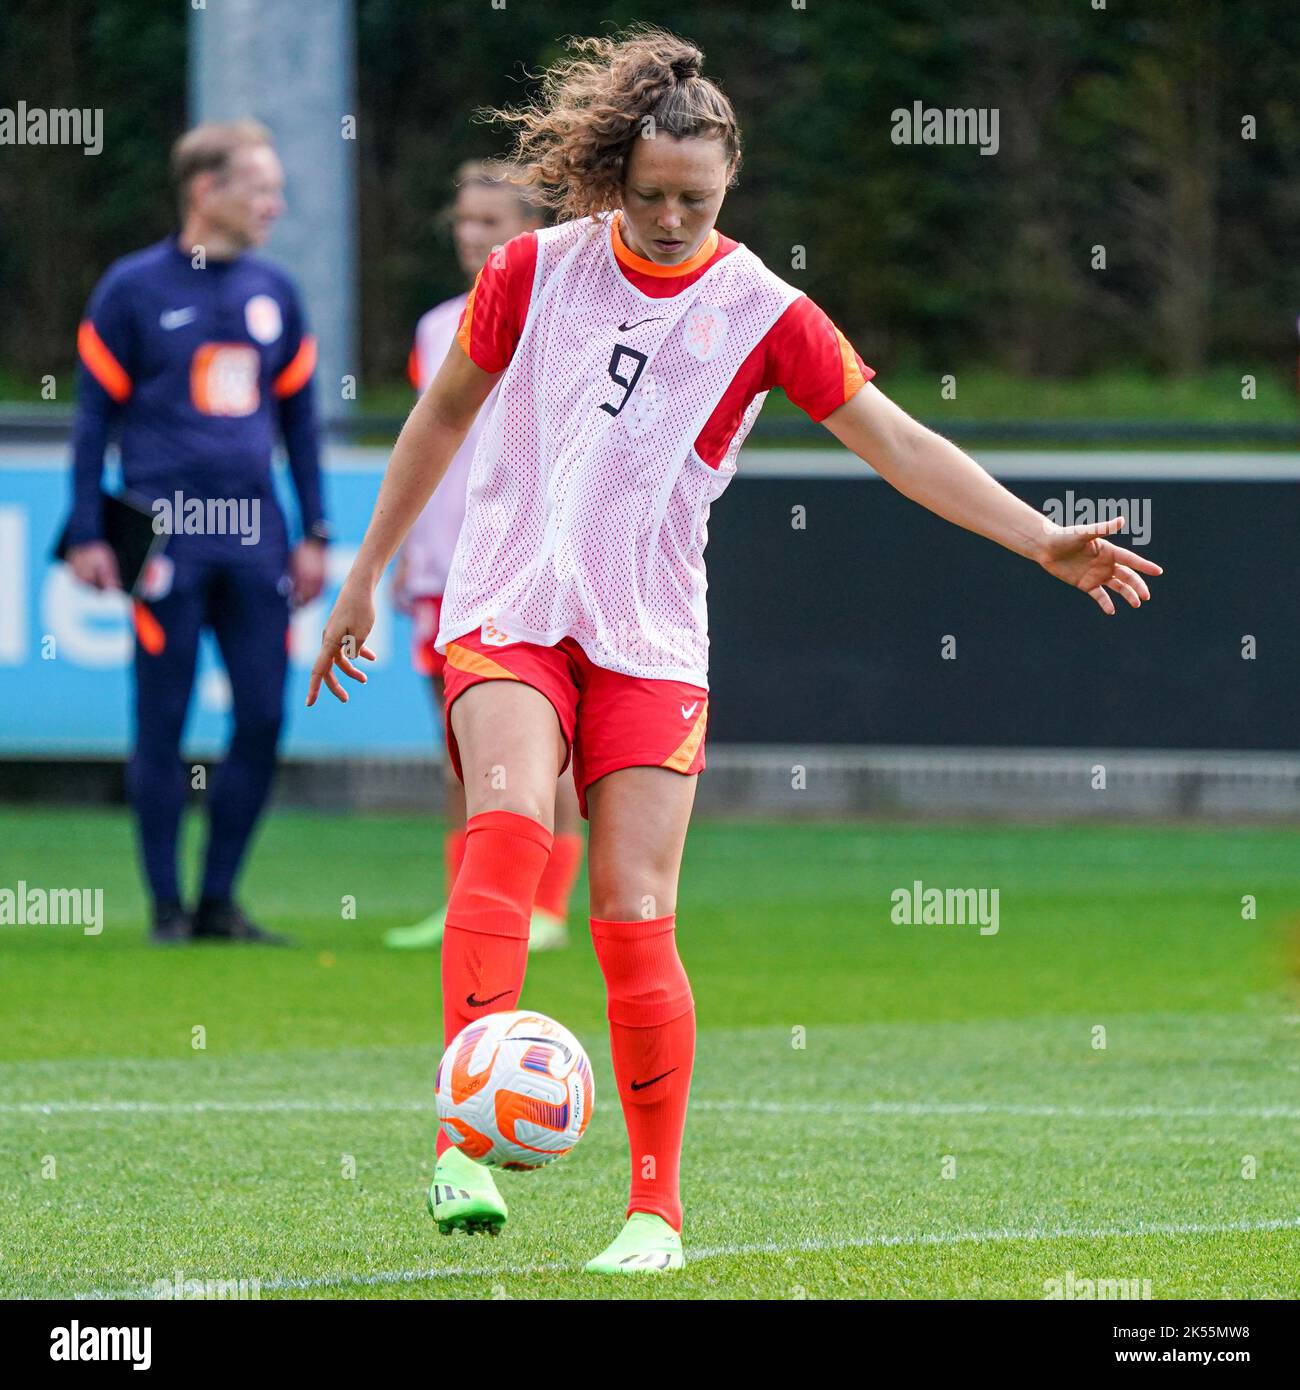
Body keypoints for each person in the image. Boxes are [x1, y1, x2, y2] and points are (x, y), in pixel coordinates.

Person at [308, 27, 1162, 1273]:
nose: (665, 217)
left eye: (692, 200)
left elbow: (899, 441)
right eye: (646, 194)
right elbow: (441, 417)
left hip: (651, 638)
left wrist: (1039, 541)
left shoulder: (764, 310)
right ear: (614, 173)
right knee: (503, 834)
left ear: (730, 186)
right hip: (510, 607)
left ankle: (653, 1211)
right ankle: (460, 1137)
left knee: (634, 913)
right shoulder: (529, 271)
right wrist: (365, 575)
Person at [67, 119, 328, 946]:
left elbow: (303, 423)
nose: (275, 205)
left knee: (261, 717)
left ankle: (219, 899)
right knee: (162, 720)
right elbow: (90, 421)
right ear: (205, 191)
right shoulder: (131, 289)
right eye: (260, 188)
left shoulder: (276, 295)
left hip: (256, 539)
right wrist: (84, 529)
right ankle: (165, 908)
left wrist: (316, 528)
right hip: (165, 539)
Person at [385, 161, 580, 954]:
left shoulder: (565, 318)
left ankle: (549, 907)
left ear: (530, 231)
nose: (473, 236)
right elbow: (432, 442)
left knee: (543, 748)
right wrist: (405, 548)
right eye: (465, 220)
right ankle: (471, 900)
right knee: (460, 746)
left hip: (526, 564)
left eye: (491, 222)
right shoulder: (438, 327)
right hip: (443, 566)